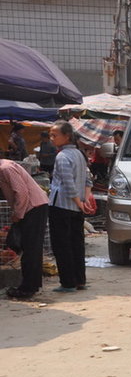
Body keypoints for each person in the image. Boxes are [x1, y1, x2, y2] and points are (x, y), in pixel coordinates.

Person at [47, 121, 92, 293]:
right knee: (76, 244)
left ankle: (67, 283)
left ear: (66, 136)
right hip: (76, 207)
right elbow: (88, 179)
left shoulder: (62, 156)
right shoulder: (79, 154)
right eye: (51, 135)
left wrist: (80, 202)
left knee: (62, 245)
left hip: (62, 206)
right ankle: (79, 280)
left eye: (55, 135)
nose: (52, 139)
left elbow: (68, 184)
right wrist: (84, 201)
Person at [0, 159, 49, 300]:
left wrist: (18, 214)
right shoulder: (5, 167)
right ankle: (32, 285)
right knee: (30, 248)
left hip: (33, 207)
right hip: (31, 207)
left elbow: (21, 192)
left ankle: (28, 288)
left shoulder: (6, 169)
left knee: (30, 248)